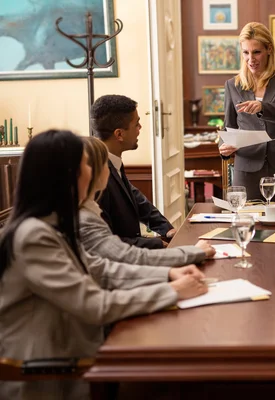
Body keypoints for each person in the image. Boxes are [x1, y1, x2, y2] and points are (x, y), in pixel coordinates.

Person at [0, 130, 208, 399]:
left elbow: (102, 269)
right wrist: (173, 291)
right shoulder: (34, 236)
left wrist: (169, 274)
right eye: (85, 163)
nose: (93, 169)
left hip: (69, 351)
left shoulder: (50, 224)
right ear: (67, 175)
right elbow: (94, 305)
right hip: (48, 371)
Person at [79, 136, 217, 265]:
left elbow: (139, 202)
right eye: (105, 164)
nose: (109, 169)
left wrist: (166, 231)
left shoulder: (91, 206)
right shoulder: (86, 219)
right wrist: (190, 252)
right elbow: (124, 257)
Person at [219, 22, 275, 201]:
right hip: (246, 167)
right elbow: (229, 126)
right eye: (246, 53)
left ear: (269, 49)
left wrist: (264, 107)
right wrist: (223, 147)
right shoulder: (232, 85)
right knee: (247, 220)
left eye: (256, 52)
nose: (251, 59)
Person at [91, 94, 175, 249]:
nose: (140, 129)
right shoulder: (97, 176)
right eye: (137, 124)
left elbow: (136, 199)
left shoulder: (112, 161)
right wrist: (157, 244)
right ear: (119, 134)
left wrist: (167, 229)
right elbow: (106, 242)